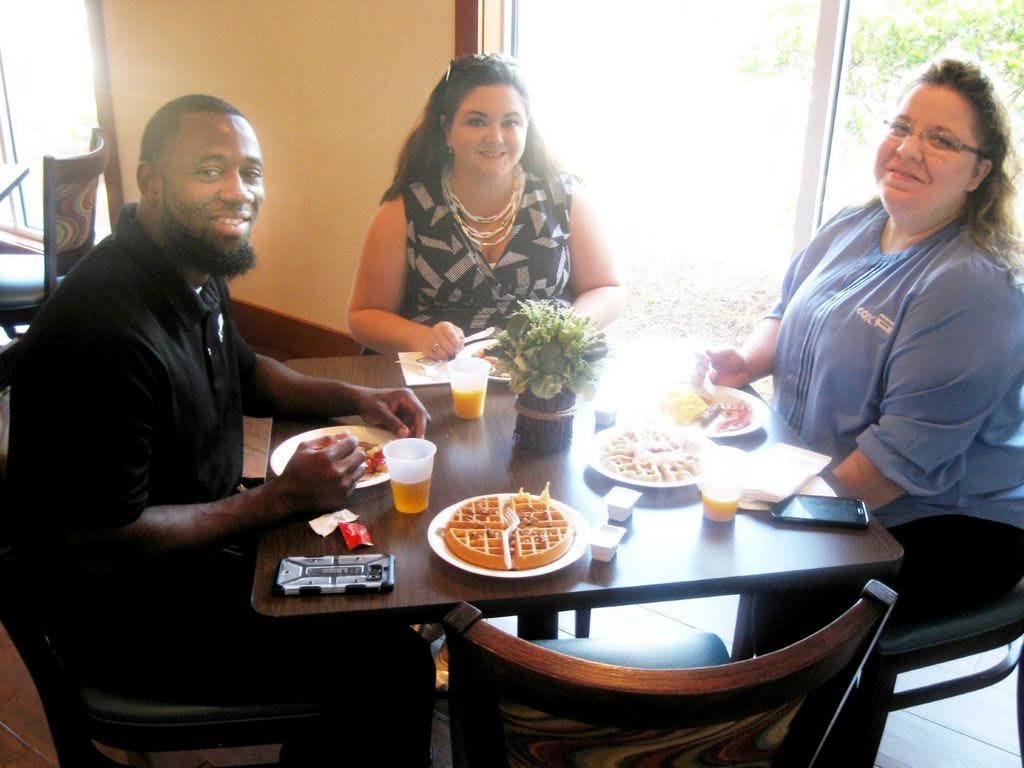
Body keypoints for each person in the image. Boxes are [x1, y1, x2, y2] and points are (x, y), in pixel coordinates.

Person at [2, 95, 435, 765]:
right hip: (129, 620)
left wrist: (358, 396)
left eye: (251, 172)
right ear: (151, 182)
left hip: (204, 554)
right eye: (210, 169)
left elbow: (251, 372)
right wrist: (276, 501)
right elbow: (101, 547)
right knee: (393, 662)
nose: (239, 192)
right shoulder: (102, 335)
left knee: (377, 589)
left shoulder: (189, 266)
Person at [702, 59, 1024, 644]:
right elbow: (785, 308)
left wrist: (767, 512)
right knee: (753, 569)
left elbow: (893, 467)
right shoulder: (859, 221)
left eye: (941, 139)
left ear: (981, 171)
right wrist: (747, 363)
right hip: (824, 475)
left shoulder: (971, 286)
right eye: (900, 127)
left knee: (781, 591)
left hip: (944, 524)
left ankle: (779, 730)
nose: (908, 149)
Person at [348, 53, 624, 360]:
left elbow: (607, 289)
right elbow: (364, 315)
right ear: (446, 129)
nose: (495, 137)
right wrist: (424, 338)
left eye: (511, 122)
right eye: (476, 121)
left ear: (526, 128)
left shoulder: (565, 199)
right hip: (440, 376)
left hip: (544, 374)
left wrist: (561, 331)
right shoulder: (404, 212)